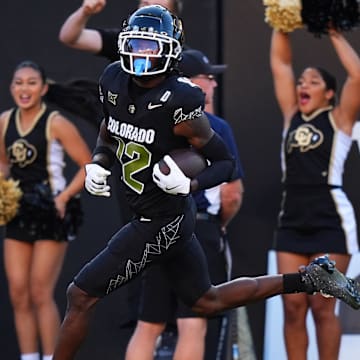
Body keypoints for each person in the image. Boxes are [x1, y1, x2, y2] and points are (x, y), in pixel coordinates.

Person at [52, 6, 360, 360]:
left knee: (80, 295)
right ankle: (310, 279)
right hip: (160, 215)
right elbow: (111, 129)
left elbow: (225, 162)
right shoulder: (113, 80)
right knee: (206, 300)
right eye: (136, 44)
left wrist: (190, 186)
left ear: (169, 51)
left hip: (162, 220)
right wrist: (100, 161)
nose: (140, 55)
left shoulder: (180, 101)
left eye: (150, 47)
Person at [124, 48, 244, 360]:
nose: (214, 85)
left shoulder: (150, 121)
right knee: (192, 323)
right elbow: (232, 194)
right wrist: (218, 227)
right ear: (192, 82)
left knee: (148, 325)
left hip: (156, 227)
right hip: (197, 229)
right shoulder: (216, 126)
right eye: (208, 78)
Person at [270, 27, 360, 360]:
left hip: (329, 218)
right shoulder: (292, 115)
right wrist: (281, 23)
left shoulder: (340, 119)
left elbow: (358, 74)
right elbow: (280, 63)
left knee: (323, 306)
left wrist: (333, 31)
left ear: (330, 95)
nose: (303, 85)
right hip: (292, 217)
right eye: (301, 81)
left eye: (313, 82)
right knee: (293, 306)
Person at [0, 61, 92, 360]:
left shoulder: (55, 123)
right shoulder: (4, 121)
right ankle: (29, 357)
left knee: (40, 291)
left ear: (43, 88)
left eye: (31, 83)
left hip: (51, 211)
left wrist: (64, 197)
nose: (24, 89)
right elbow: (3, 163)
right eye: (18, 82)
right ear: (12, 87)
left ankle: (53, 357)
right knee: (18, 292)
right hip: (18, 209)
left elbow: (87, 165)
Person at [58, 0, 183, 63]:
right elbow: (70, 38)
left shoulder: (182, 56)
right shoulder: (122, 41)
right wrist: (84, 12)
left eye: (158, 7)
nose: (148, 12)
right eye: (145, 4)